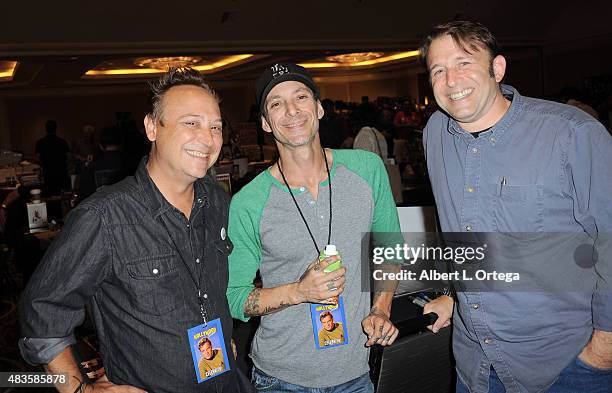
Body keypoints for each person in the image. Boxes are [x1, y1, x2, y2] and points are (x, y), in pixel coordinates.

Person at [19, 68, 243, 393]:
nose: (208, 139)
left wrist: (226, 341)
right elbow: (42, 309)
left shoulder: (217, 202)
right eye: (191, 123)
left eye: (216, 127)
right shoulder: (105, 216)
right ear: (152, 127)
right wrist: (80, 389)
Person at [419, 20, 612, 392]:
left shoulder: (572, 134)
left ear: (497, 68)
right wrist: (455, 295)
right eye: (438, 71)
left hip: (565, 365)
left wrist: (603, 351)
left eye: (464, 63)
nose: (451, 81)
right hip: (474, 365)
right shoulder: (436, 135)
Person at [227, 62, 400, 392]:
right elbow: (236, 298)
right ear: (265, 123)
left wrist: (380, 309)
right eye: (276, 103)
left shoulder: (367, 170)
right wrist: (299, 292)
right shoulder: (248, 202)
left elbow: (391, 248)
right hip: (281, 378)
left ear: (319, 108)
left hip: (355, 372)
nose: (291, 110)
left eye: (301, 97)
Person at [35, 120, 71, 196]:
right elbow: (69, 157)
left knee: (49, 195)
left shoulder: (40, 142)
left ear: (46, 129)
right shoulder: (62, 141)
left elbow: (38, 159)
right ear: (56, 129)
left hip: (48, 173)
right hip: (61, 172)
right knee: (61, 195)